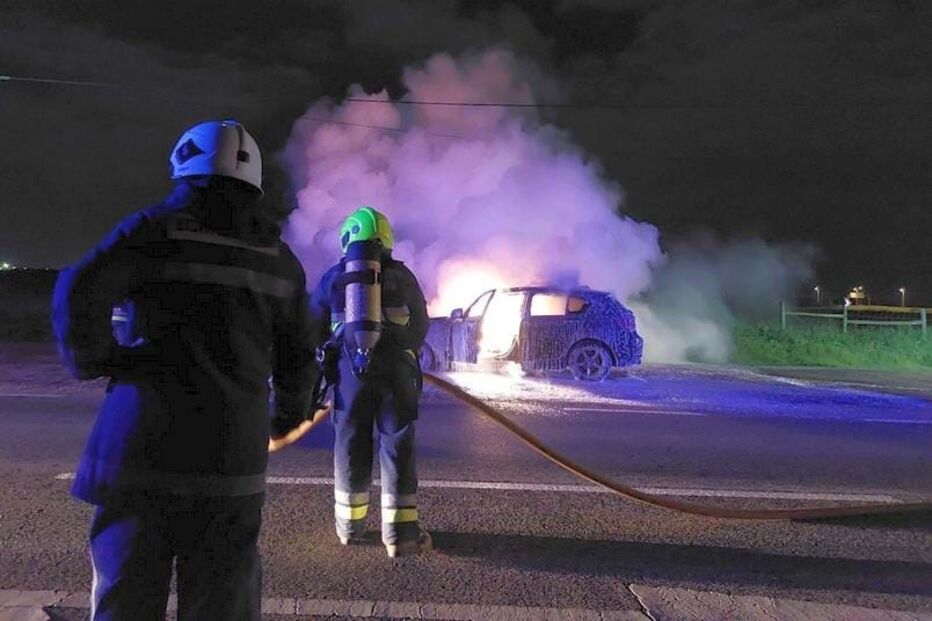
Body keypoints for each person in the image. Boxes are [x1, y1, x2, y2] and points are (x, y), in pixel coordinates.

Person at [52, 119, 317, 620]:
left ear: (183, 165)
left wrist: (100, 360)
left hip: (140, 453)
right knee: (223, 603)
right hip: (230, 461)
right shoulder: (279, 260)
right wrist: (285, 416)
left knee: (125, 598)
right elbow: (300, 354)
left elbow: (77, 288)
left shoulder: (152, 230)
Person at [309, 207, 431, 557]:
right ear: (386, 238)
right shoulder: (402, 277)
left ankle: (350, 527)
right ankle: (401, 536)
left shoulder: (333, 278)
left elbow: (311, 326)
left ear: (347, 238)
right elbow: (421, 324)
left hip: (349, 378)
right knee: (397, 445)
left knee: (350, 444)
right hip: (396, 376)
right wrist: (403, 350)